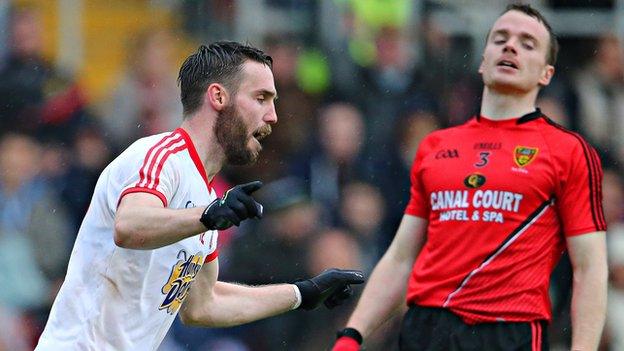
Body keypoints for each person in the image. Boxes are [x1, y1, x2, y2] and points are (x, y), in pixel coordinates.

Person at [35, 41, 364, 351]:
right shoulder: (161, 156)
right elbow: (129, 226)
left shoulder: (204, 196)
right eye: (261, 98)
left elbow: (203, 305)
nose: (272, 116)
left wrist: (302, 293)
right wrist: (207, 216)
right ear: (218, 97)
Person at [332, 4, 607, 351]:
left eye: (527, 43)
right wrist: (352, 333)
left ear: (546, 74)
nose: (510, 47)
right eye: (500, 39)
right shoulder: (435, 145)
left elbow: (590, 268)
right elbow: (401, 257)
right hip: (425, 330)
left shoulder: (568, 151)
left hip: (506, 332)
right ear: (482, 60)